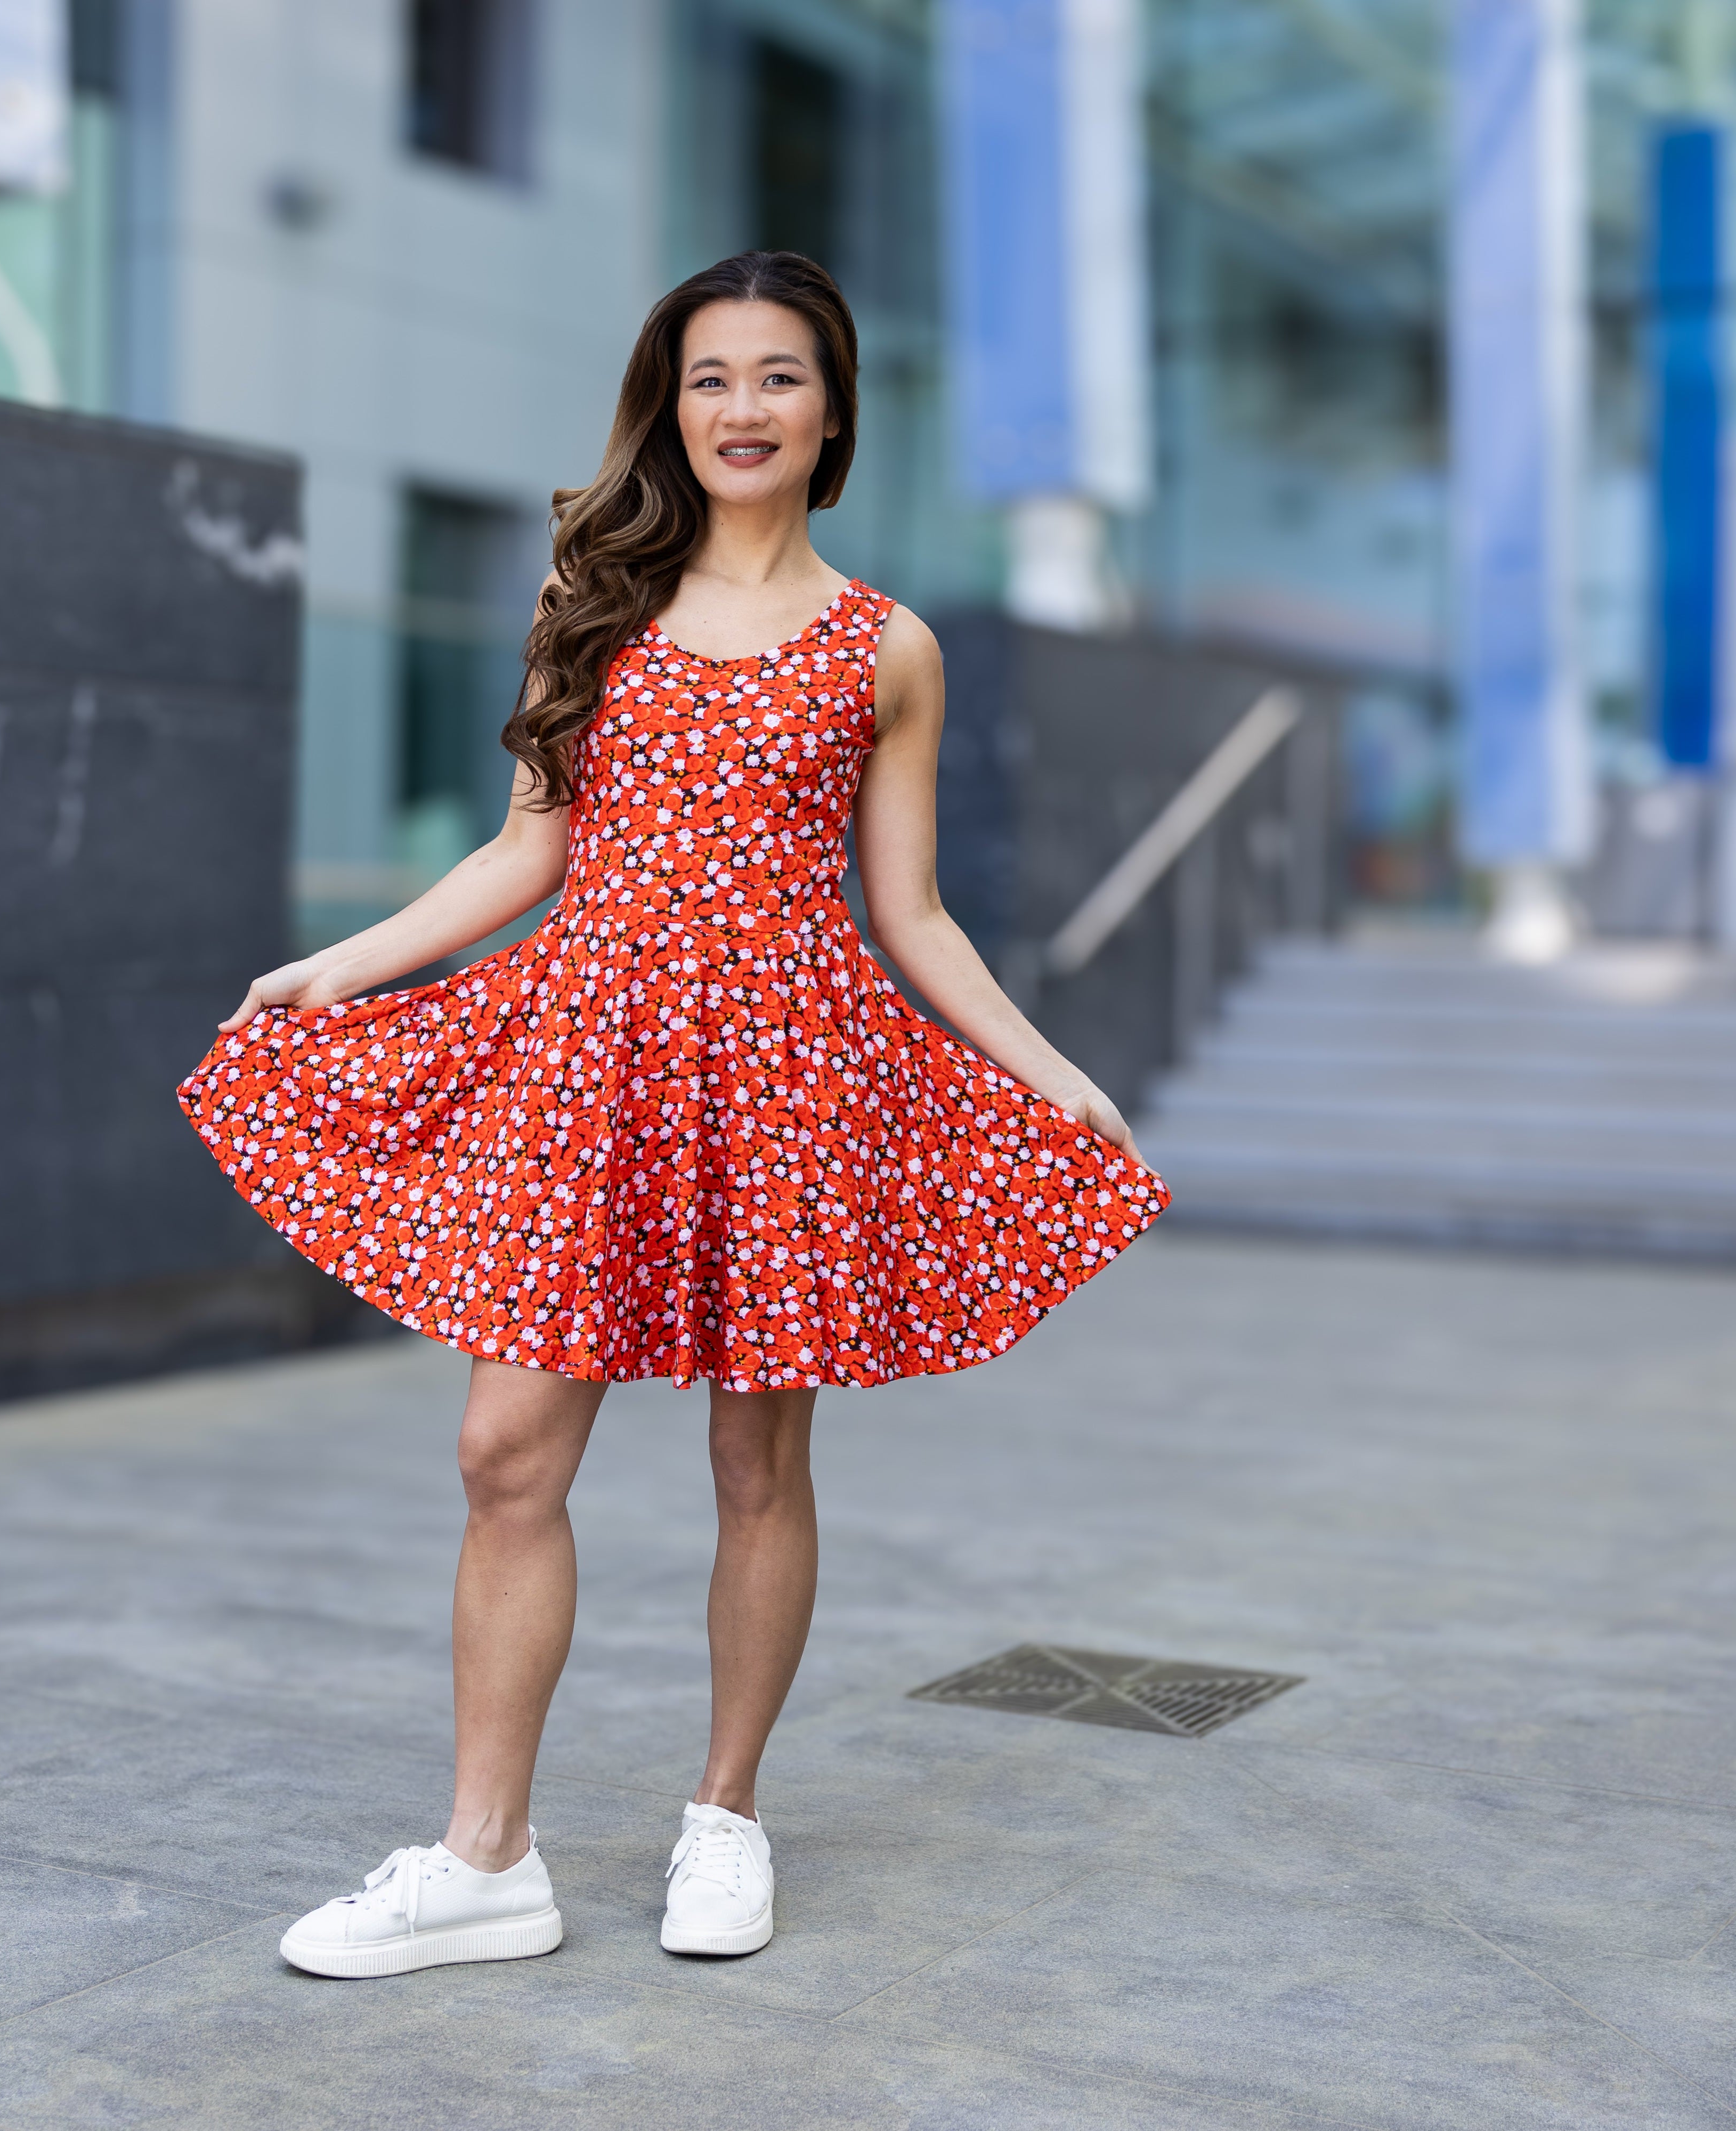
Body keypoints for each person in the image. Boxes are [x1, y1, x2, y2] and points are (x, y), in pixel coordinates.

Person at [180, 251, 1165, 1981]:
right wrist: (339, 968)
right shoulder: (597, 596)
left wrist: (1048, 1070)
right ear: (671, 401)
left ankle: (728, 1817)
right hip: (587, 1060)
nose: (741, 409)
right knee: (505, 1455)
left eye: (778, 377)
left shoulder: (888, 648)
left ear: (834, 409)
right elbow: (525, 847)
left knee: (753, 1456)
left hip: (787, 1075)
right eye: (711, 378)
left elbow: (914, 913)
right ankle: (488, 1862)